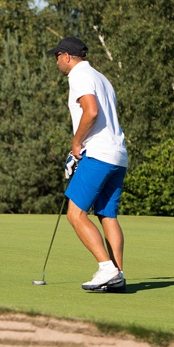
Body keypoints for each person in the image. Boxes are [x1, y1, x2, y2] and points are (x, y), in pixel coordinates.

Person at [47, 36, 129, 292]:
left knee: (75, 214)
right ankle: (117, 275)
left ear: (66, 56)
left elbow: (91, 112)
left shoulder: (79, 75)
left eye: (57, 57)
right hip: (118, 155)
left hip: (98, 154)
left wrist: (76, 144)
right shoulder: (101, 78)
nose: (56, 62)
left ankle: (106, 268)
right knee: (107, 215)